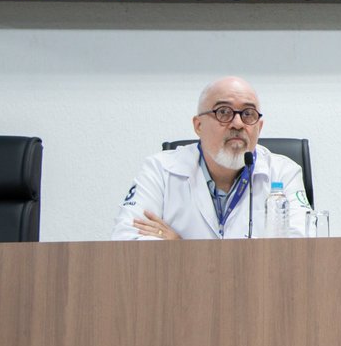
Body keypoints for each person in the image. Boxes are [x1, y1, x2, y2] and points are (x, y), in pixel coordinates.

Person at [112, 76, 309, 240]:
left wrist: (180, 247)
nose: (238, 123)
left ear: (260, 127)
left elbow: (301, 248)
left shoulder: (284, 173)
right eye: (224, 112)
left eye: (248, 114)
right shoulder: (160, 169)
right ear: (198, 126)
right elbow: (126, 239)